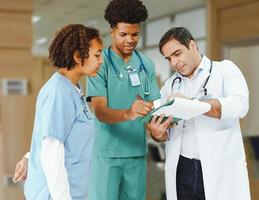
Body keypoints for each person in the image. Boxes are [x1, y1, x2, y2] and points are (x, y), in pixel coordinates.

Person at [148, 27, 251, 200]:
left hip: (219, 166)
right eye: (169, 58)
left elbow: (240, 105)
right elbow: (163, 131)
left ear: (193, 45)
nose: (174, 62)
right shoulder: (170, 85)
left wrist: (191, 104)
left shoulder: (225, 70)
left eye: (177, 53)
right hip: (182, 169)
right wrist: (157, 133)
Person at [86, 0, 161, 199]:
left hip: (136, 153)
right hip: (106, 154)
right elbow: (100, 111)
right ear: (112, 32)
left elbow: (154, 107)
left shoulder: (146, 65)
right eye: (123, 34)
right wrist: (129, 113)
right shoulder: (99, 65)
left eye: (135, 34)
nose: (130, 40)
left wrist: (165, 119)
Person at [23, 24, 103, 200]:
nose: (101, 60)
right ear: (77, 56)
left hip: (75, 191)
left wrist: (29, 156)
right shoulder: (58, 92)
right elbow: (51, 152)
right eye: (97, 55)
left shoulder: (74, 88)